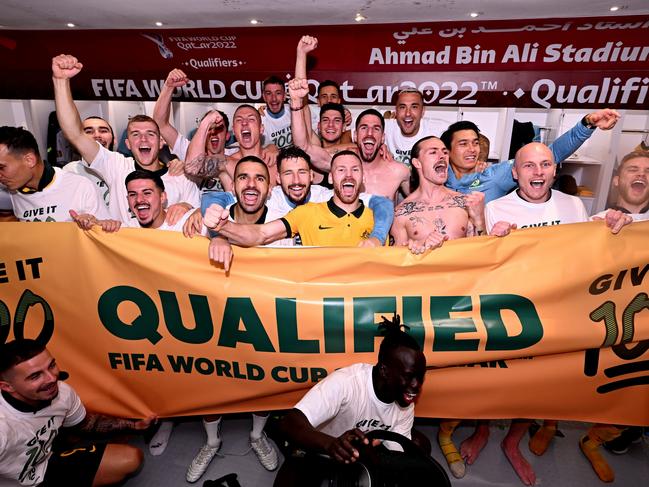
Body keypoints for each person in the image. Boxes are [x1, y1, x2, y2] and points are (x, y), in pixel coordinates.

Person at [479, 142, 632, 486]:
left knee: (545, 379)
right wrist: (493, 239)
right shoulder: (497, 207)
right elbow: (488, 261)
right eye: (529, 166)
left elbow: (592, 241)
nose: (537, 172)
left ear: (554, 169)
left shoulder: (574, 204)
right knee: (503, 377)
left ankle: (520, 436)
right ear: (515, 172)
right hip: (516, 310)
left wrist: (618, 219)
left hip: (560, 309)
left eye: (545, 164)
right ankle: (486, 430)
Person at [273, 315, 426, 486]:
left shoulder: (405, 402)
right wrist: (331, 444)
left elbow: (397, 452)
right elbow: (289, 423)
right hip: (319, 448)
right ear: (384, 370)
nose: (417, 385)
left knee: (419, 447)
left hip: (360, 453)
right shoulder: (347, 383)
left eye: (420, 377)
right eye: (409, 376)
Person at [51, 54, 200, 226]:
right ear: (128, 144)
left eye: (150, 134)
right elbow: (75, 134)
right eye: (136, 134)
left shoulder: (182, 177)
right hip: (125, 251)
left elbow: (200, 218)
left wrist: (189, 206)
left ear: (161, 142)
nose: (143, 138)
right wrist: (60, 81)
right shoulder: (117, 166)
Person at [578, 150, 649, 483]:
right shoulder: (594, 223)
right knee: (609, 383)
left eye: (648, 170)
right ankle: (592, 439)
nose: (641, 174)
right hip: (611, 326)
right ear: (618, 179)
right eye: (633, 168)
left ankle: (618, 434)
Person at [0, 338, 155, 486]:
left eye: (51, 365)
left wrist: (134, 426)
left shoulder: (61, 392)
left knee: (130, 459)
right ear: (7, 387)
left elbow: (86, 423)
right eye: (35, 376)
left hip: (45, 465)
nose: (52, 378)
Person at [199, 146, 393, 253]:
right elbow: (261, 234)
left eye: (355, 170)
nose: (348, 176)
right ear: (331, 177)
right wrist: (222, 229)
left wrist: (377, 238)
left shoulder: (377, 213)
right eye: (341, 170)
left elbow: (385, 203)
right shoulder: (306, 212)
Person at [441, 108, 621, 203]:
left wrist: (587, 125)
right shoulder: (436, 177)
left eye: (475, 143)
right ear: (447, 151)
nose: (472, 149)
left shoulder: (493, 175)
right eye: (463, 144)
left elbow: (553, 153)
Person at [290, 78, 409, 201]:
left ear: (383, 137)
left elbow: (422, 199)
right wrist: (296, 103)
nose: (369, 133)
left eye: (376, 129)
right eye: (364, 128)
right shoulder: (341, 164)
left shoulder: (399, 171)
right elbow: (303, 147)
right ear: (355, 135)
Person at [390, 136, 486, 254]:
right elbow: (396, 262)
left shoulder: (465, 203)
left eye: (445, 152)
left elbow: (481, 255)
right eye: (433, 152)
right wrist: (420, 247)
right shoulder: (401, 213)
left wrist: (480, 220)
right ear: (417, 163)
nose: (442, 156)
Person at [0, 126, 109, 222]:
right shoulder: (13, 191)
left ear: (29, 160)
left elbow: (105, 233)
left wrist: (92, 223)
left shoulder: (80, 186)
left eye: (1, 167)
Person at [152, 68, 231, 193]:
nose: (213, 133)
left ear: (227, 135)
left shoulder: (234, 154)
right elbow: (160, 124)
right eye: (209, 128)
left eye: (219, 128)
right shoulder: (189, 150)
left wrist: (272, 148)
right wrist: (168, 87)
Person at [383, 89, 448, 166]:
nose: (407, 113)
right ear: (396, 111)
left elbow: (464, 133)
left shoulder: (438, 128)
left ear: (423, 111)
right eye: (402, 107)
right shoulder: (384, 127)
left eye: (414, 107)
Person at [62, 116, 114, 206]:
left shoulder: (125, 165)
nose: (97, 135)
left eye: (103, 131)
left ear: (114, 139)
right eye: (88, 132)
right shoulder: (69, 171)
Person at [260, 76, 292, 149]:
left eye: (278, 93)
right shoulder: (259, 120)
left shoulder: (295, 113)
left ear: (284, 96)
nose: (274, 98)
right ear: (264, 97)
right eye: (269, 93)